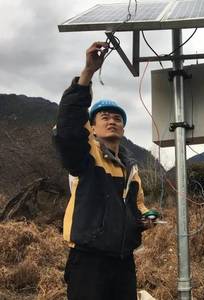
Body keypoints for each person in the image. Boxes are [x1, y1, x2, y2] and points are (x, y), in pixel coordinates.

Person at [53, 41, 158, 300]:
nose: (112, 121)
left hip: (123, 261)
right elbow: (68, 129)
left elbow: (139, 206)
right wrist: (87, 73)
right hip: (89, 262)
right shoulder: (86, 157)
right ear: (93, 127)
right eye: (105, 117)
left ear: (123, 127)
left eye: (118, 118)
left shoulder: (131, 169)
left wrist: (147, 218)